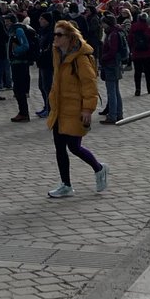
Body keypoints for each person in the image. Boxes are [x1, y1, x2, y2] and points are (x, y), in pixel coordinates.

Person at [45, 20, 107, 198]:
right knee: (59, 146)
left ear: (69, 37)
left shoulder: (80, 57)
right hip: (59, 107)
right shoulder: (57, 52)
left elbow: (89, 84)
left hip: (75, 108)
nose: (55, 38)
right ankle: (66, 184)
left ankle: (99, 168)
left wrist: (87, 108)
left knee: (74, 146)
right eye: (54, 34)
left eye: (59, 35)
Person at [3, 12, 32, 122]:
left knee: (19, 89)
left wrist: (15, 51)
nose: (6, 24)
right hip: (15, 63)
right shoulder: (12, 31)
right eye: (5, 22)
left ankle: (24, 113)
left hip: (20, 63)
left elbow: (25, 45)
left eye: (8, 21)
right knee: (17, 89)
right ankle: (22, 112)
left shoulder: (18, 30)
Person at [98, 14, 126, 124]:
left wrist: (103, 58)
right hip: (115, 64)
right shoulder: (117, 32)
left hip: (111, 64)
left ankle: (113, 115)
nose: (102, 25)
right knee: (116, 90)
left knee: (111, 92)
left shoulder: (112, 34)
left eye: (103, 23)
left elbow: (112, 51)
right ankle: (118, 114)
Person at [128, 13, 150, 97]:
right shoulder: (148, 27)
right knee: (148, 72)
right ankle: (149, 88)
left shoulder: (133, 27)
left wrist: (132, 48)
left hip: (136, 53)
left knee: (137, 72)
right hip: (148, 53)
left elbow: (129, 39)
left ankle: (137, 89)